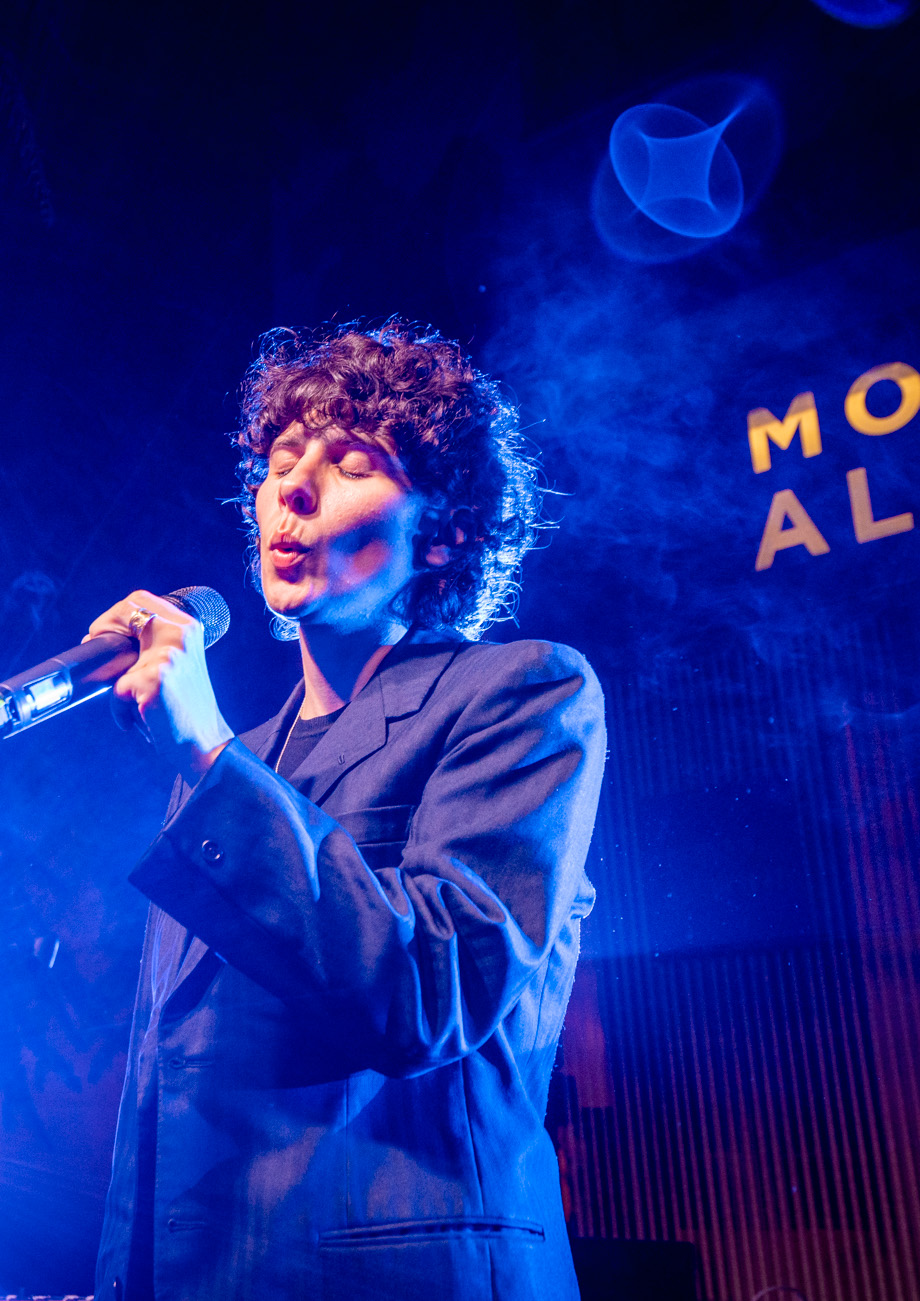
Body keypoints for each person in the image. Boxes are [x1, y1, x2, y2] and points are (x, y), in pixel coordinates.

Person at [86, 319, 605, 1301]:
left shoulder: (523, 694)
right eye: (280, 459)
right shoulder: (234, 765)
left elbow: (431, 991)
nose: (291, 487)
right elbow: (167, 1078)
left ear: (442, 531)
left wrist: (206, 754)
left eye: (351, 464)